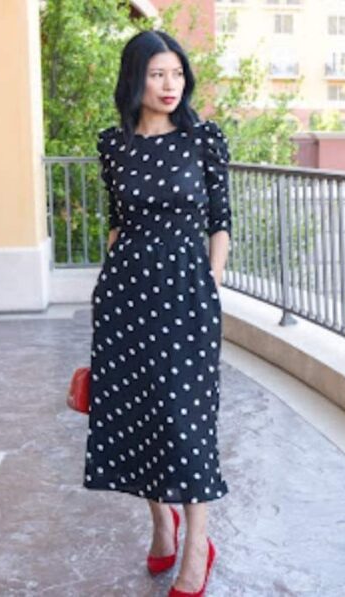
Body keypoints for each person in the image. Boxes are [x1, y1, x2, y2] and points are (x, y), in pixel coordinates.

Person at [83, 29, 231, 597]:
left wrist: (211, 281)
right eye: (157, 74)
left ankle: (198, 545)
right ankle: (161, 524)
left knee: (185, 421)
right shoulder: (113, 145)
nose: (171, 85)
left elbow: (220, 222)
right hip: (126, 297)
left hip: (187, 297)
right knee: (141, 416)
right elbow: (118, 223)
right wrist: (104, 291)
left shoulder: (203, 139)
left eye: (177, 73)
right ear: (135, 79)